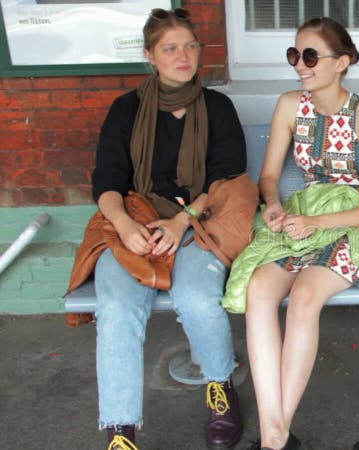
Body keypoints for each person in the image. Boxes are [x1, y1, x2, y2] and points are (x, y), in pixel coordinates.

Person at [88, 8, 246, 450]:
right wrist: (122, 224)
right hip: (133, 221)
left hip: (200, 223)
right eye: (170, 48)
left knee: (197, 297)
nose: (184, 56)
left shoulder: (217, 107)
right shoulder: (126, 110)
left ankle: (220, 387)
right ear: (150, 56)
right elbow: (107, 180)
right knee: (117, 309)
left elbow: (226, 176)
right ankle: (122, 430)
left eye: (190, 46)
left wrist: (182, 221)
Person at [237, 17, 359, 450]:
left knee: (304, 299)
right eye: (294, 55)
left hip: (351, 224)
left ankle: (273, 438)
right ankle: (277, 435)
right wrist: (271, 205)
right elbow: (269, 177)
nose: (299, 65)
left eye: (310, 56)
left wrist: (319, 224)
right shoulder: (290, 105)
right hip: (302, 218)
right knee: (259, 293)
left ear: (342, 62)